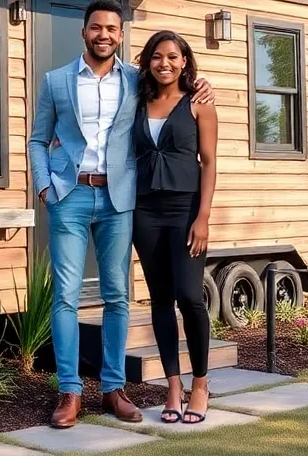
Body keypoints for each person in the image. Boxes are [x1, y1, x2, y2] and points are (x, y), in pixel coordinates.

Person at [28, 0, 213, 429]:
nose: (104, 35)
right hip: (69, 196)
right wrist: (43, 185)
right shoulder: (56, 81)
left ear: (121, 35)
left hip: (119, 199)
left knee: (117, 295)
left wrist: (205, 84)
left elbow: (174, 83)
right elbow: (38, 139)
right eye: (97, 28)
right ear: (84, 32)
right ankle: (70, 391)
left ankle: (113, 389)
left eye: (112, 29)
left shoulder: (135, 79)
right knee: (66, 296)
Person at [132, 30, 217, 425]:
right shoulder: (137, 100)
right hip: (144, 210)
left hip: (186, 210)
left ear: (184, 62)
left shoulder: (199, 103)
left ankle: (200, 384)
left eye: (171, 56)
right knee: (161, 299)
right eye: (156, 56)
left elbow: (209, 163)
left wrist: (203, 217)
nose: (163, 63)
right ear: (147, 61)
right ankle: (172, 385)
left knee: (189, 296)